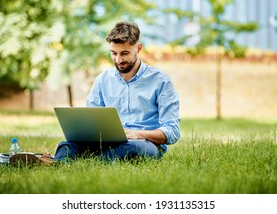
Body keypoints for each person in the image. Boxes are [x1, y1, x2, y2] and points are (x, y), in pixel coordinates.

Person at [53, 21, 181, 162]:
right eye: (114, 53)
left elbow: (172, 131)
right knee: (66, 145)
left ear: (138, 48)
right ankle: (57, 164)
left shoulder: (160, 81)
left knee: (132, 148)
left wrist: (137, 134)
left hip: (144, 144)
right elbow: (92, 122)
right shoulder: (102, 80)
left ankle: (93, 162)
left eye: (124, 53)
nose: (118, 60)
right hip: (107, 143)